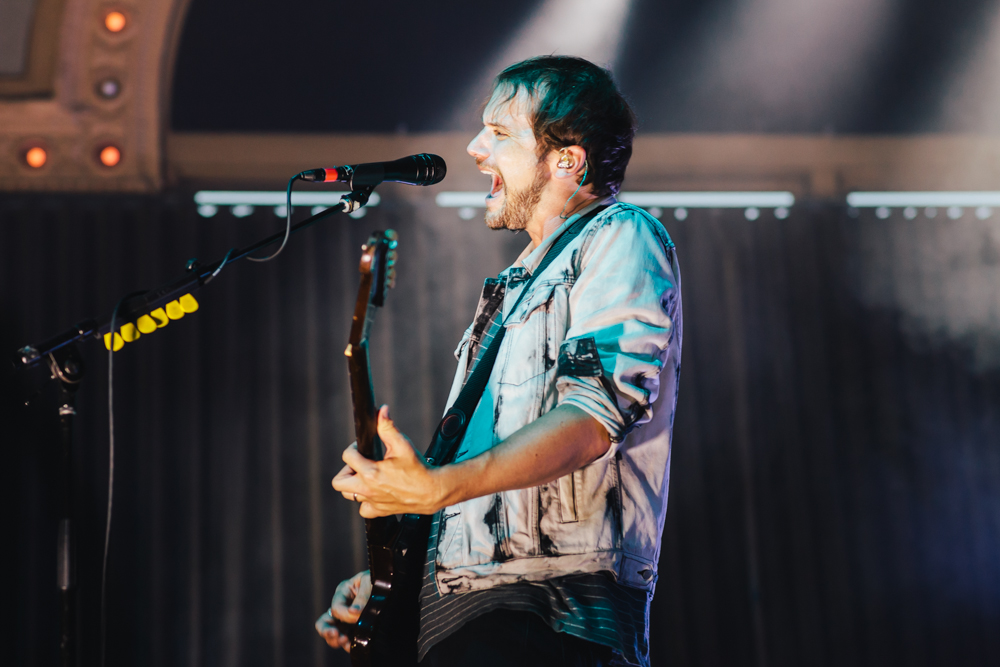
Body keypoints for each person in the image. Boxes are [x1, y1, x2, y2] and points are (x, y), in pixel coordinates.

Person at [315, 55, 682, 667]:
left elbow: (592, 419)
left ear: (566, 159)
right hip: (465, 615)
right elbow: (485, 476)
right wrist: (400, 576)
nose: (475, 147)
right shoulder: (514, 286)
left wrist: (435, 487)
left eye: (501, 132)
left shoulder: (621, 235)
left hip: (554, 615)